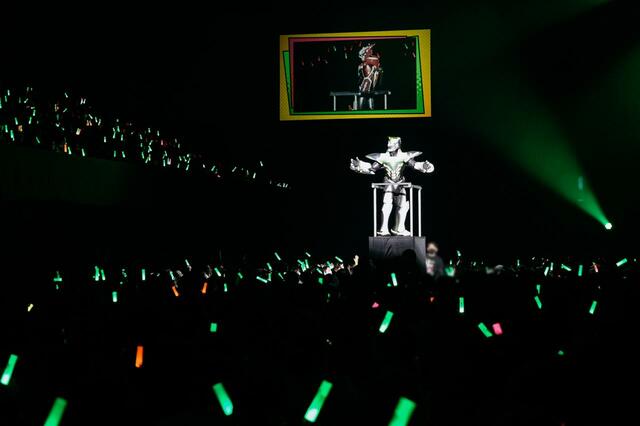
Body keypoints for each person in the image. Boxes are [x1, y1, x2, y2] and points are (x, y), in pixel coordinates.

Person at [350, 136, 434, 235]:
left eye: (392, 144)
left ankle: (399, 228)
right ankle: (383, 229)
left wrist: (424, 166)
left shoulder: (404, 156)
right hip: (388, 182)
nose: (389, 145)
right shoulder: (383, 157)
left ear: (397, 145)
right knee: (387, 204)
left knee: (403, 206)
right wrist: (360, 165)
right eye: (389, 143)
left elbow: (415, 165)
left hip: (400, 183)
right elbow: (372, 168)